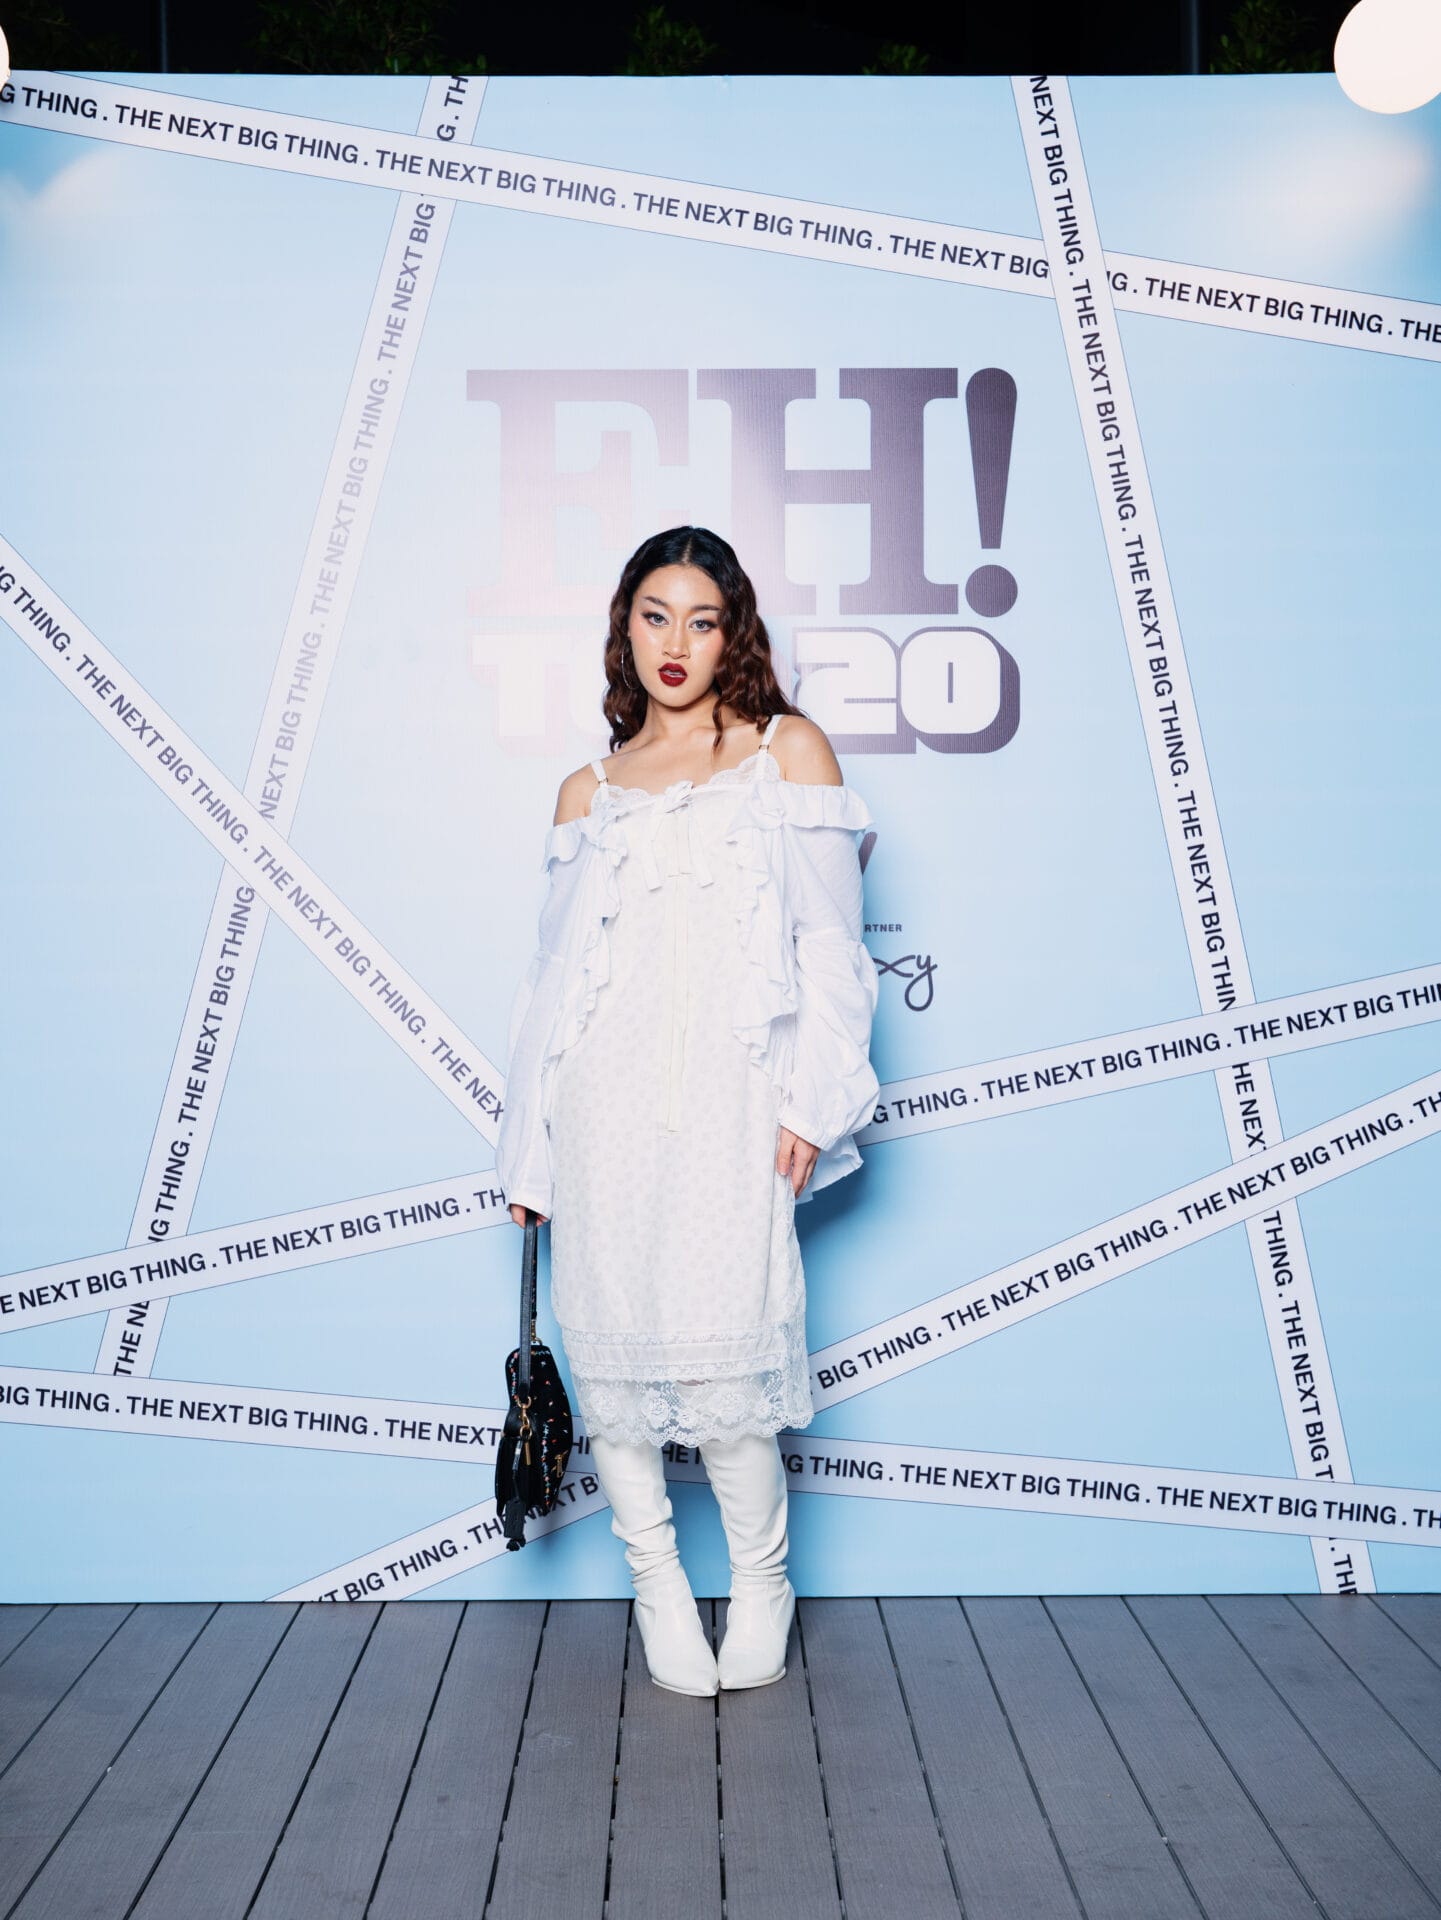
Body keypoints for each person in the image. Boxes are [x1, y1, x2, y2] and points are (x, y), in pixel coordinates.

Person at [495, 525, 880, 1698]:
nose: (675, 642)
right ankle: (656, 1586)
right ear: (624, 628)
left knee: (727, 1363)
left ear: (732, 636)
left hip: (733, 1096)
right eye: (654, 616)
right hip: (601, 1101)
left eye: (700, 621)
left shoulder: (784, 753)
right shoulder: (588, 789)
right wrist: (529, 1149)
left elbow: (833, 949)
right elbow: (552, 984)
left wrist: (814, 1099)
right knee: (610, 1356)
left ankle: (762, 1585)